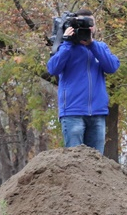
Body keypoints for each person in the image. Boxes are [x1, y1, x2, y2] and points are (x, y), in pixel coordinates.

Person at [47, 9, 120, 153]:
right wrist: (67, 43)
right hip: (73, 112)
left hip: (97, 113)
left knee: (96, 163)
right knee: (75, 160)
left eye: (90, 23)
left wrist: (92, 45)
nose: (88, 27)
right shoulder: (66, 48)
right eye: (83, 24)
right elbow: (52, 69)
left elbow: (112, 67)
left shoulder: (100, 47)